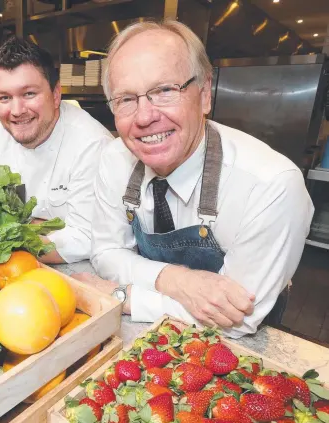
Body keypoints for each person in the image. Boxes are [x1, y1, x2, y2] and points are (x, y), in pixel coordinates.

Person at [73, 20, 314, 338]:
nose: (145, 117)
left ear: (204, 96)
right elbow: (105, 253)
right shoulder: (115, 158)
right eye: (126, 99)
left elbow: (237, 322)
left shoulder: (272, 185)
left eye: (164, 91)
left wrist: (126, 296)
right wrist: (176, 280)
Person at [0, 36, 113, 264]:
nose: (16, 110)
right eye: (4, 97)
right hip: (20, 264)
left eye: (29, 94)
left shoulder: (91, 144)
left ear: (56, 95)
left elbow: (85, 238)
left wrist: (6, 235)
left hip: (79, 271)